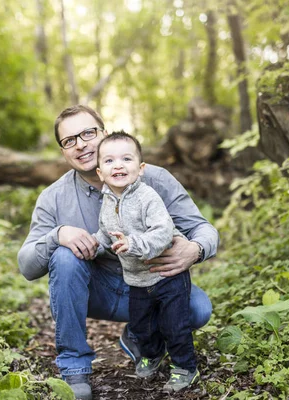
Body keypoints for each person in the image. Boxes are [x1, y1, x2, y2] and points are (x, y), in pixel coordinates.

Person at [17, 105, 219, 400]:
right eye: (69, 140)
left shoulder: (154, 179)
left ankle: (139, 335)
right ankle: (74, 368)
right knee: (63, 255)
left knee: (198, 310)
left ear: (105, 133)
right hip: (94, 290)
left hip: (150, 283)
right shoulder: (54, 197)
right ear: (63, 151)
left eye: (88, 133)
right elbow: (27, 265)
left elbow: (204, 228)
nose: (81, 144)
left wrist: (195, 249)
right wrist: (57, 234)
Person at [92, 131, 200, 393]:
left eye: (126, 159)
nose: (118, 165)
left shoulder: (147, 196)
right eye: (109, 161)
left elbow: (162, 232)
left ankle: (185, 367)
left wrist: (134, 243)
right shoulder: (107, 202)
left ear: (140, 169)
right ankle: (151, 354)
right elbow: (106, 233)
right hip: (137, 279)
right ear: (100, 173)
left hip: (167, 276)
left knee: (175, 326)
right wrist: (95, 245)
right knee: (142, 326)